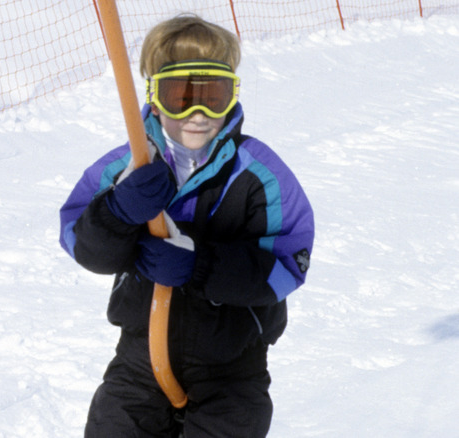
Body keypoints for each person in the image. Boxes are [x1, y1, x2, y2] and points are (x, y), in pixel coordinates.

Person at [58, 14, 315, 438]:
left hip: (231, 373)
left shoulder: (260, 175)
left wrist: (202, 265)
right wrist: (118, 212)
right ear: (154, 96)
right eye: (180, 96)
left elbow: (287, 266)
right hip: (138, 364)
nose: (198, 114)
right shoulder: (126, 168)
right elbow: (82, 243)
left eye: (213, 95)